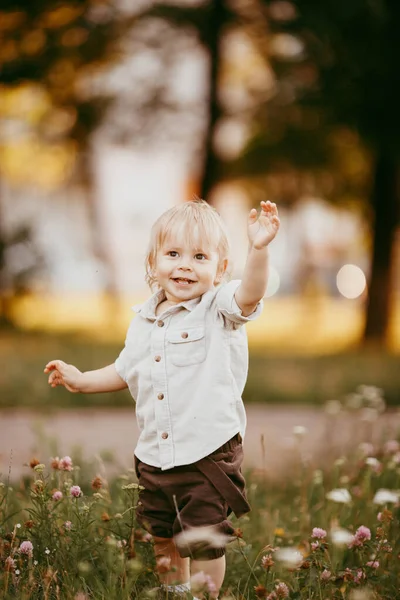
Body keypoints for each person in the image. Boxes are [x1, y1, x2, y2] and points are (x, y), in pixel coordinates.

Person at [44, 199, 280, 599]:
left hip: (208, 451)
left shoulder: (218, 307)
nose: (185, 265)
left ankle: (206, 595)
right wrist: (82, 380)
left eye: (200, 256)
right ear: (153, 263)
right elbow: (125, 369)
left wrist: (258, 249)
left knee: (203, 535)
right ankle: (177, 592)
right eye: (173, 254)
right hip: (156, 454)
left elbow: (251, 294)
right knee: (163, 533)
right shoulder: (143, 321)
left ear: (220, 269)